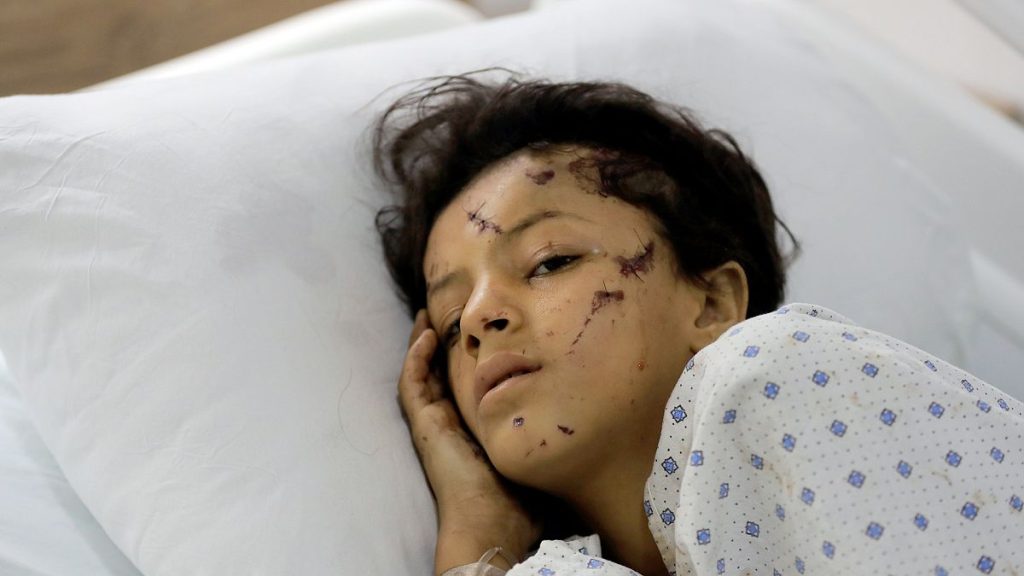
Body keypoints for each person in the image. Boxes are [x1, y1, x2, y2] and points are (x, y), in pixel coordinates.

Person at [372, 69, 1024, 576]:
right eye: (452, 322)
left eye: (549, 261)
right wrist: (479, 538)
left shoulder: (776, 371)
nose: (482, 317)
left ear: (711, 305)